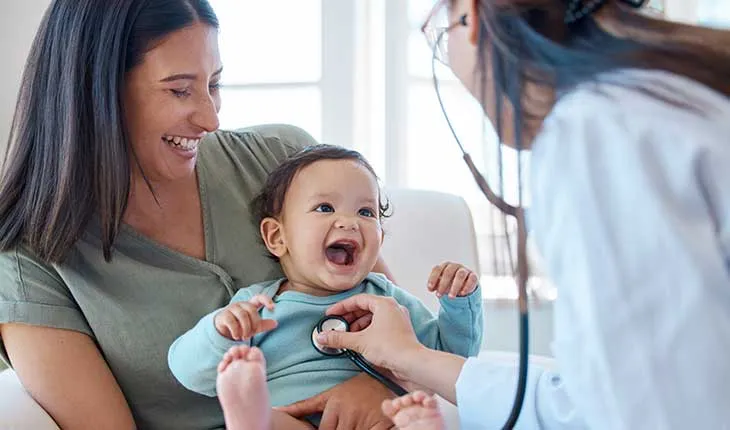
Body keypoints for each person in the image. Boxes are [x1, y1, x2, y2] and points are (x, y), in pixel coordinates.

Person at [302, 0, 730, 429]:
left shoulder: (596, 133)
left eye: (440, 31)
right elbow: (599, 396)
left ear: (471, 17)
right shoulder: (676, 94)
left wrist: (415, 355)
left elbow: (652, 414)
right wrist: (410, 358)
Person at [0, 1, 404, 429]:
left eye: (214, 84)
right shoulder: (28, 268)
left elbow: (400, 331)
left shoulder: (285, 162)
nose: (210, 119)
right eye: (179, 90)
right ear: (93, 91)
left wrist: (378, 386)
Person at [167, 144, 483, 430]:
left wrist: (459, 303)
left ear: (380, 240)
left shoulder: (385, 300)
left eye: (366, 212)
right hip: (291, 419)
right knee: (273, 421)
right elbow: (188, 372)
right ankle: (250, 416)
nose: (349, 222)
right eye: (325, 208)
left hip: (376, 420)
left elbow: (443, 359)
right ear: (278, 237)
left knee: (405, 416)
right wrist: (220, 332)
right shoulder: (259, 305)